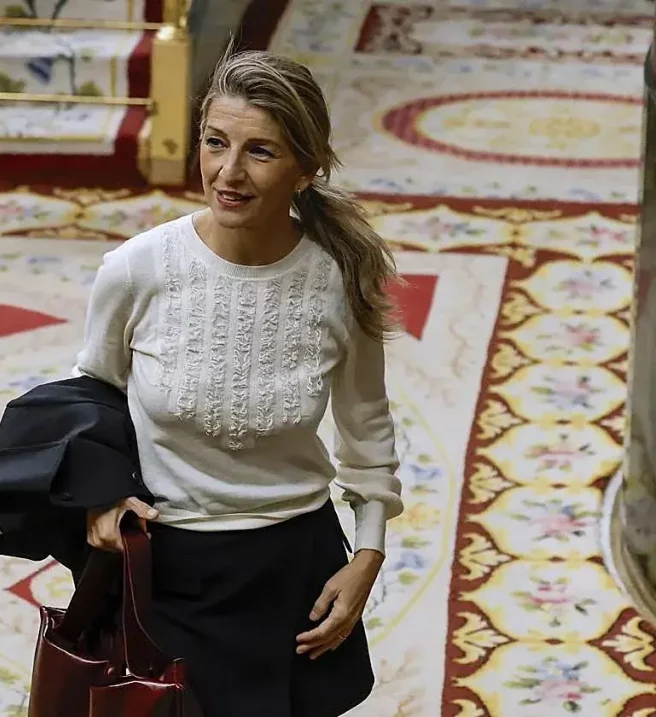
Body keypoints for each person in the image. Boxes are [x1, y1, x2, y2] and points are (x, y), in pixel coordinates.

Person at [73, 47, 404, 717]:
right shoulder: (136, 270)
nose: (228, 172)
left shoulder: (341, 280)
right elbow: (90, 397)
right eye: (215, 142)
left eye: (261, 151)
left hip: (294, 574)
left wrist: (366, 553)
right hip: (170, 569)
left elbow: (367, 433)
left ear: (306, 169)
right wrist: (99, 499)